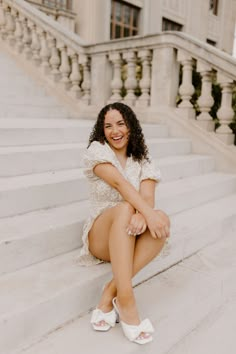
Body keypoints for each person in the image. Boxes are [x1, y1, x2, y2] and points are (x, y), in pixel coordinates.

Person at [78, 102, 170, 345]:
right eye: (107, 126)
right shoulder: (97, 151)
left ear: (131, 126)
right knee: (126, 207)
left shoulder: (142, 158)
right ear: (102, 130)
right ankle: (127, 300)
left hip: (130, 232)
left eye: (120, 123)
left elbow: (147, 196)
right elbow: (120, 185)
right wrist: (142, 212)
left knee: (161, 219)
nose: (114, 131)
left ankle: (110, 292)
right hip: (101, 236)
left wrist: (146, 214)